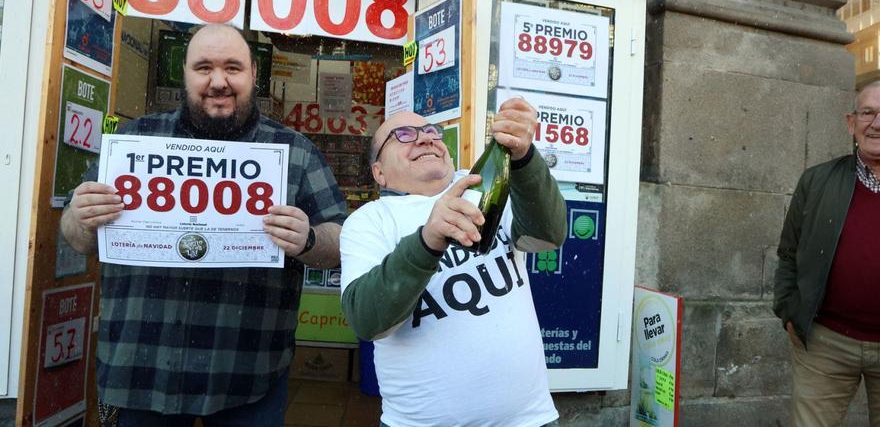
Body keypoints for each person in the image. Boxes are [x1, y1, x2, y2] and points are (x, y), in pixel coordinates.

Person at [60, 24, 347, 427]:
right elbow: (76, 238)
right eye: (203, 67)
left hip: (248, 376)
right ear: (185, 74)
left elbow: (342, 243)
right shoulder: (133, 141)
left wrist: (309, 238)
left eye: (233, 68)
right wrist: (81, 215)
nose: (218, 82)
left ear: (252, 75)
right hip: (141, 372)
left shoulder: (295, 153)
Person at [340, 98, 567, 427]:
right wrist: (427, 240)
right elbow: (366, 320)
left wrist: (524, 158)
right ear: (379, 172)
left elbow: (546, 236)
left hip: (530, 419)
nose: (425, 138)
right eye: (403, 134)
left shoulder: (479, 184)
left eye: (430, 131)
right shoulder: (369, 221)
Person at [774, 81, 880, 425]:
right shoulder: (816, 181)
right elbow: (789, 252)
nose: (876, 123)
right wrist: (789, 309)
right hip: (825, 342)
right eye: (868, 112)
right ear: (852, 123)